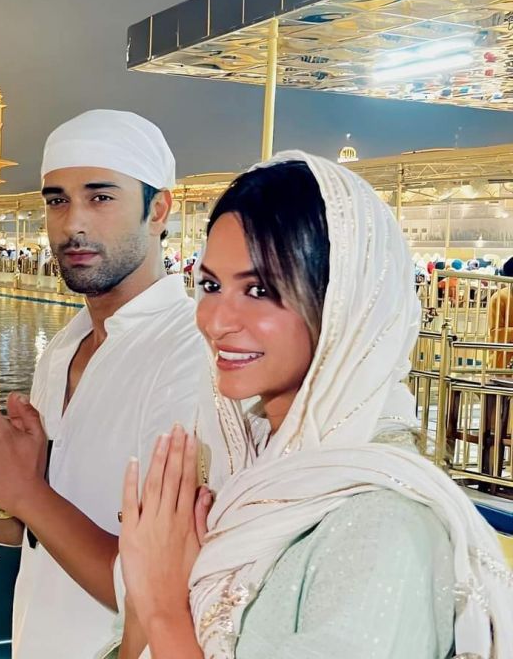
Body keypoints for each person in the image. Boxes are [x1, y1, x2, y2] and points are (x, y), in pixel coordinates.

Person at [114, 152, 512, 659]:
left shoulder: (385, 528)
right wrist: (146, 600)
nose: (216, 321)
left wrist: (164, 608)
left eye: (259, 289)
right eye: (211, 286)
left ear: (344, 303)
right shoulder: (246, 473)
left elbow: (158, 613)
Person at [0, 110, 232, 658]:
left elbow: (159, 591)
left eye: (101, 198)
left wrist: (25, 490)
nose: (72, 225)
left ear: (158, 209)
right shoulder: (65, 347)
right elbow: (17, 536)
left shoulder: (192, 355)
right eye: (56, 201)